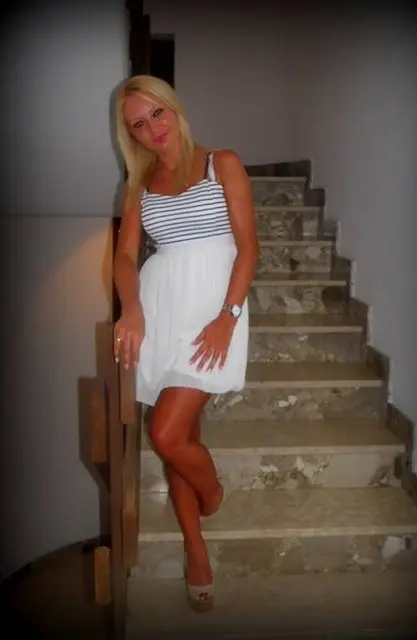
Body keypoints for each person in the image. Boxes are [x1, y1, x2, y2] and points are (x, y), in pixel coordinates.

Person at [112, 75, 259, 611]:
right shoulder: (139, 183)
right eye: (138, 123)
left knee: (167, 434)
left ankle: (211, 492)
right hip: (160, 310)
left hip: (213, 310)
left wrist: (228, 316)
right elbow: (124, 256)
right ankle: (196, 549)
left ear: (174, 108)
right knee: (181, 434)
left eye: (157, 113)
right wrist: (132, 308)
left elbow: (248, 247)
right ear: (130, 134)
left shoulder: (223, 163)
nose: (152, 128)